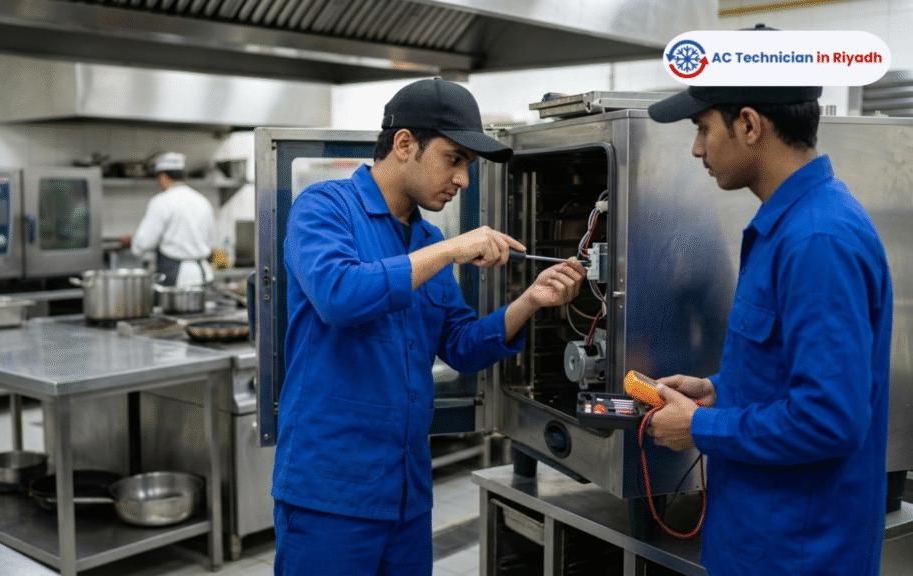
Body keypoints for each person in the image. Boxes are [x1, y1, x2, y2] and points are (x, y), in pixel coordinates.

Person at [273, 78, 586, 576]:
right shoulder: (325, 208)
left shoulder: (425, 236)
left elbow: (460, 345)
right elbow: (339, 295)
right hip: (331, 491)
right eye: (454, 158)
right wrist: (450, 250)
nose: (462, 178)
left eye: (468, 166)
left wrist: (531, 300)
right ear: (404, 145)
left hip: (407, 493)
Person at [645, 86, 892, 576]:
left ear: (750, 126)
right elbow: (788, 369)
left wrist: (699, 426)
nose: (697, 149)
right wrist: (718, 390)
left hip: (799, 554)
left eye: (703, 128)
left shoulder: (818, 240)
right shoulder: (787, 228)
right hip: (756, 540)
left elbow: (829, 419)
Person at [120, 152, 215, 287]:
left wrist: (132, 242)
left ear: (163, 176)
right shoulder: (202, 200)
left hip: (176, 278)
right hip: (204, 275)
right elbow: (210, 239)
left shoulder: (161, 201)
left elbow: (144, 243)